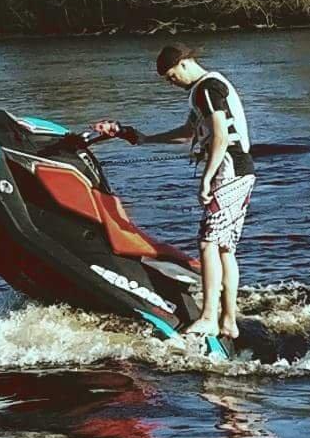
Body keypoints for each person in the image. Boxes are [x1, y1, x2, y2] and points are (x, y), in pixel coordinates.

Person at [95, 44, 255, 340]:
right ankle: (228, 322)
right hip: (241, 171)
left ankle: (209, 317)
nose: (171, 83)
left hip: (229, 170)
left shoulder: (207, 88)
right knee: (223, 248)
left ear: (184, 63)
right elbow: (188, 132)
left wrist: (208, 178)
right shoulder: (203, 91)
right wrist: (143, 139)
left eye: (171, 76)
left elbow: (219, 135)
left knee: (208, 243)